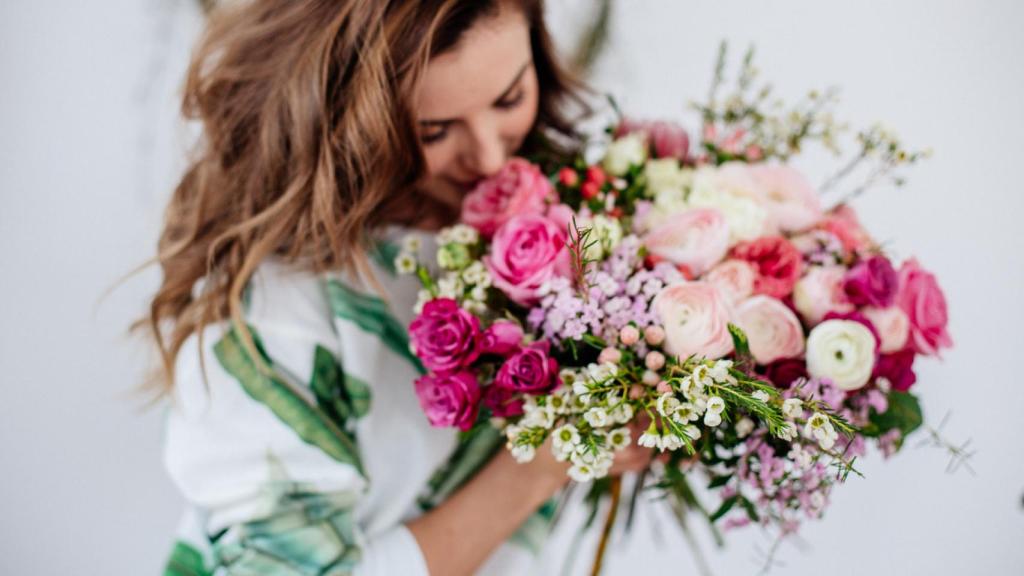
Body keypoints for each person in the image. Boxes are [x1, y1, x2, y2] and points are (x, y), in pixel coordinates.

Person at [147, 1, 650, 574]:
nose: (488, 155)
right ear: (340, 119)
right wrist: (540, 468)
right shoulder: (275, 313)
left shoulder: (570, 216)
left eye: (509, 98)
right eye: (433, 130)